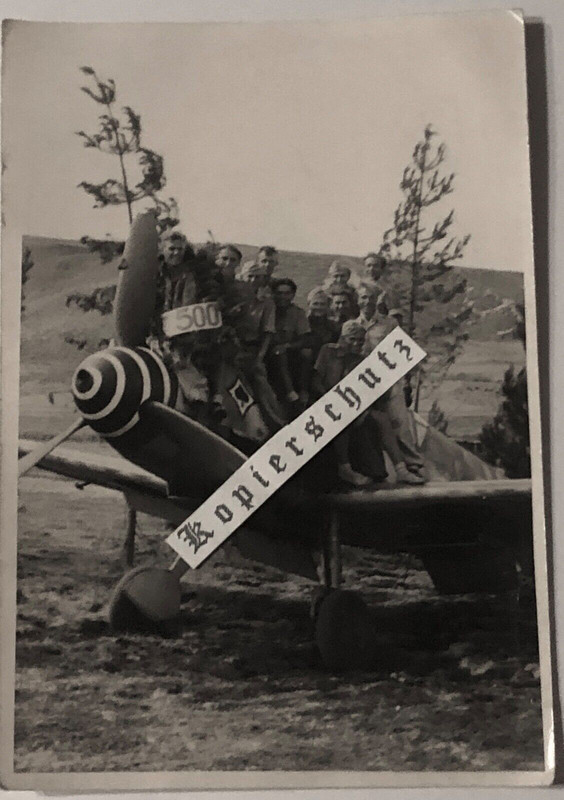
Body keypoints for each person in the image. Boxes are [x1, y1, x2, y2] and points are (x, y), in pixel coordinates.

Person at [355, 282, 425, 481]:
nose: (367, 301)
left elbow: (402, 352)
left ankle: (413, 465)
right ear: (358, 300)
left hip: (389, 379)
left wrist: (406, 382)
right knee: (371, 424)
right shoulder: (353, 324)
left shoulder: (389, 324)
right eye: (363, 297)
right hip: (363, 382)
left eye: (371, 297)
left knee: (399, 422)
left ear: (377, 300)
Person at [312, 320, 384, 487]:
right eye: (353, 339)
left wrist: (363, 410)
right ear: (343, 338)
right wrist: (328, 398)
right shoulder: (328, 351)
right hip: (323, 400)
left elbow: (364, 391)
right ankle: (345, 468)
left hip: (349, 405)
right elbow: (316, 381)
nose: (357, 344)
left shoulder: (360, 360)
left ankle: (384, 470)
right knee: (341, 419)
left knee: (375, 421)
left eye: (361, 340)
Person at [268, 277, 311, 414]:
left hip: (288, 352)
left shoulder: (298, 313)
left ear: (293, 295)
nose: (283, 297)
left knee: (306, 353)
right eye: (279, 293)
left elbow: (304, 338)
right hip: (267, 350)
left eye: (287, 293)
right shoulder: (269, 309)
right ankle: (291, 393)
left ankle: (301, 393)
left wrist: (287, 346)